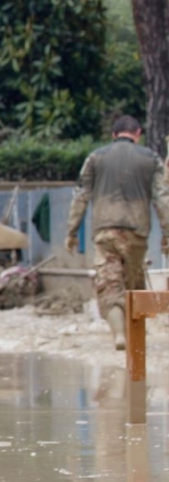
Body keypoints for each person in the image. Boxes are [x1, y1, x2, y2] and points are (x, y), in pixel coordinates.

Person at [65, 115, 169, 349]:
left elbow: (80, 196)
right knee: (133, 284)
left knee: (109, 283)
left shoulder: (95, 158)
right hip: (137, 232)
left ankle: (119, 335)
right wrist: (167, 233)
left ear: (113, 135)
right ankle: (137, 345)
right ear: (138, 133)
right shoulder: (151, 159)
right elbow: (163, 199)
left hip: (105, 231)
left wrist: (71, 231)